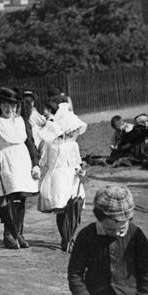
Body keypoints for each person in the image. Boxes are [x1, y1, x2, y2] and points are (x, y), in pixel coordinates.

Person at [0, 87, 41, 249]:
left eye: (13, 106)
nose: (10, 109)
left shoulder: (22, 121)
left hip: (22, 161)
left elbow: (30, 143)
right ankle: (10, 233)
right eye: (6, 105)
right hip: (6, 162)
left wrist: (35, 163)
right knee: (9, 198)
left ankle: (18, 233)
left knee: (21, 198)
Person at [37, 100, 87, 252]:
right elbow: (43, 161)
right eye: (72, 129)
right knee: (62, 208)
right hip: (58, 177)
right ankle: (66, 239)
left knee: (75, 206)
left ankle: (70, 236)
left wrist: (79, 170)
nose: (74, 132)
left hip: (72, 176)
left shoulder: (74, 145)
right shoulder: (51, 144)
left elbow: (76, 162)